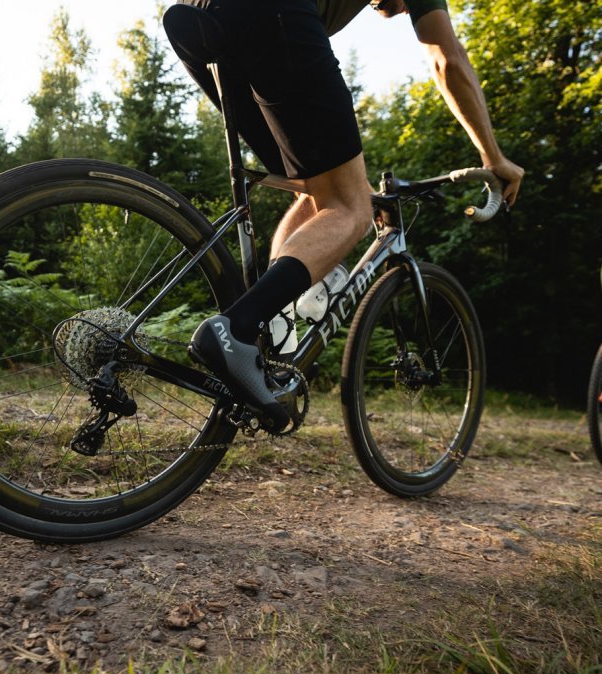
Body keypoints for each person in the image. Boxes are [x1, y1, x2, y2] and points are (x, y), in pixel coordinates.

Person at [164, 0, 524, 431]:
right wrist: (492, 155)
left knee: (318, 186)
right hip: (270, 13)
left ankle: (274, 337)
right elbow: (445, 57)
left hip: (200, 14)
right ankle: (236, 330)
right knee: (353, 206)